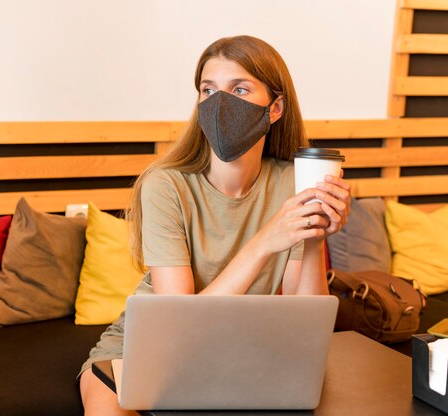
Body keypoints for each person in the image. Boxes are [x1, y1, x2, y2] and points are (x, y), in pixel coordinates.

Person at [78, 35, 351, 416]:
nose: (219, 103)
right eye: (208, 90)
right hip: (142, 354)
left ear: (275, 108)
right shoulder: (166, 184)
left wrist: (312, 236)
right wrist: (263, 243)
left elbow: (306, 318)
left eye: (239, 88)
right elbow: (181, 327)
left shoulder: (294, 183)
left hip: (242, 355)